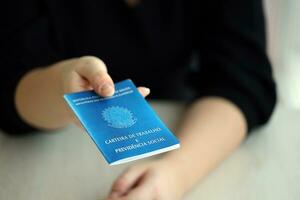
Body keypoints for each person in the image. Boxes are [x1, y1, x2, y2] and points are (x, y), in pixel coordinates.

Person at [0, 0, 276, 199]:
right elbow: (10, 86)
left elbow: (242, 81)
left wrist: (174, 174)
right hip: (38, 151)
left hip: (190, 126)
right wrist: (62, 86)